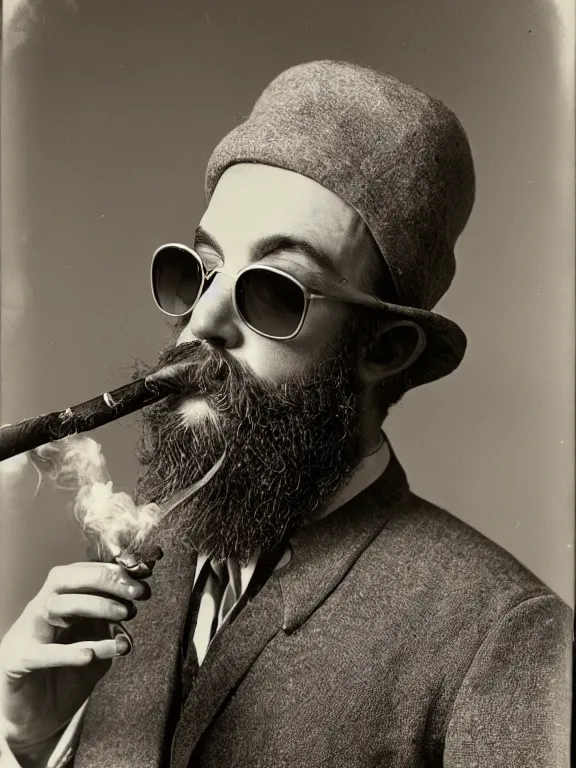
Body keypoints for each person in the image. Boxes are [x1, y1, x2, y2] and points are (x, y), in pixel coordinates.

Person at [0, 60, 571, 768]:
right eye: (196, 270)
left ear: (384, 348)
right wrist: (30, 746)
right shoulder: (143, 565)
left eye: (274, 290)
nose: (200, 322)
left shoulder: (506, 638)